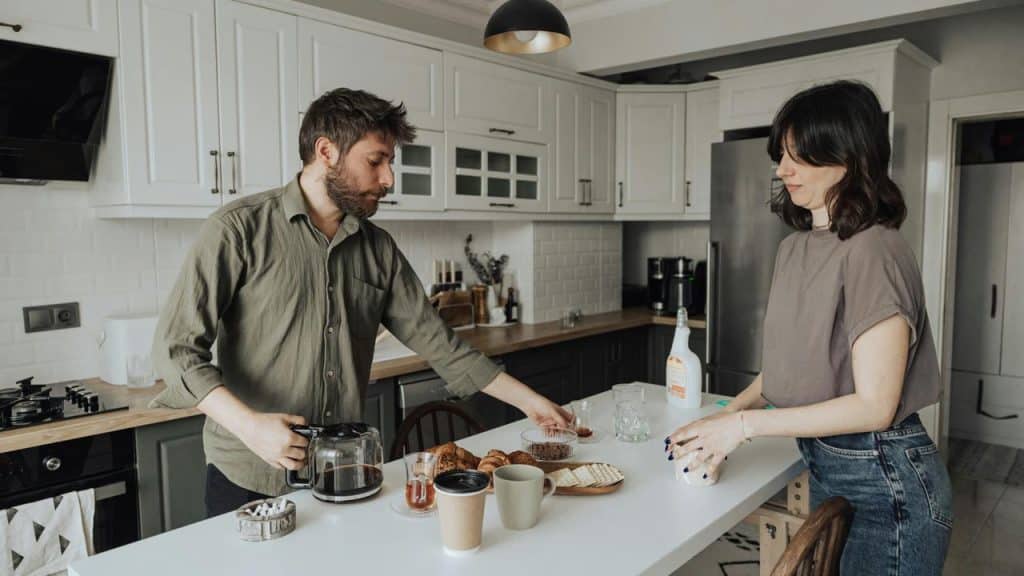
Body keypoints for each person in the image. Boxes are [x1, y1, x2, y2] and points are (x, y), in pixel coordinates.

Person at [151, 88, 571, 517]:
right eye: (376, 161)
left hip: (342, 472)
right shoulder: (238, 230)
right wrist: (251, 427)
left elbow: (440, 342)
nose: (389, 179)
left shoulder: (378, 250)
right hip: (248, 476)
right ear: (326, 151)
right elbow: (175, 351)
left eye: (390, 163)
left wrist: (531, 402)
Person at [665, 81, 952, 574]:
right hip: (827, 463)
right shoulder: (794, 246)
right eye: (782, 154)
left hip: (886, 480)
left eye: (801, 156)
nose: (782, 170)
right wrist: (722, 419)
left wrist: (742, 427)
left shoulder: (874, 249)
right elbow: (785, 369)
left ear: (850, 157)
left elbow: (876, 406)